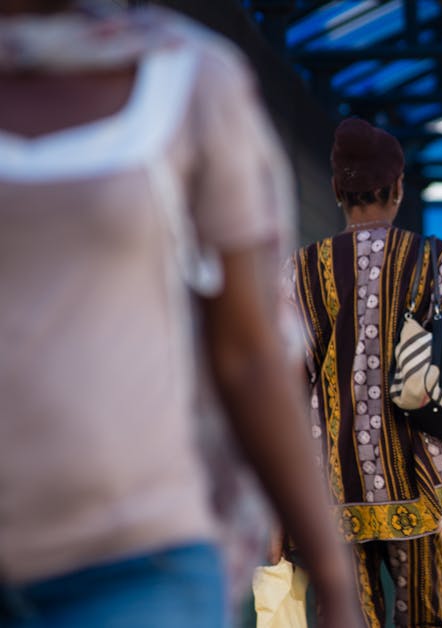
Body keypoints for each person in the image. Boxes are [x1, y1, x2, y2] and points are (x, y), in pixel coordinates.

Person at [0, 2, 360, 627]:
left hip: (136, 559)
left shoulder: (186, 81)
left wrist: (331, 570)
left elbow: (248, 351)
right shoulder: (429, 263)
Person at [284, 117, 442, 627]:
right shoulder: (431, 257)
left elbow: (290, 379)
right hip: (419, 475)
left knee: (346, 616)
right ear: (398, 189)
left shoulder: (299, 270)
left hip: (332, 480)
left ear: (334, 190)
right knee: (423, 617)